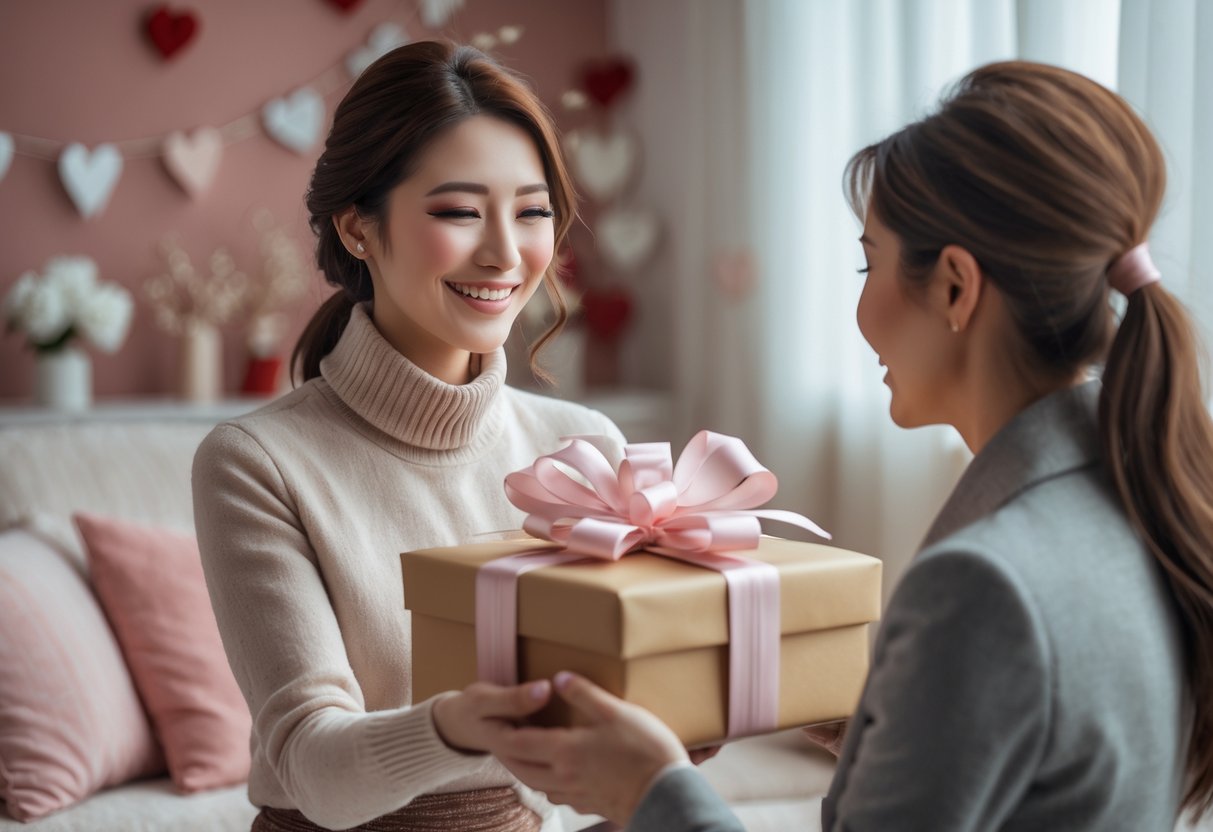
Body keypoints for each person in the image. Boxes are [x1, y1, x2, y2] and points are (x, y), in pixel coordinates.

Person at [484, 60, 1213, 831]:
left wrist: (648, 787)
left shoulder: (983, 584)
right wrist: (888, 720)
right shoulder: (1138, 499)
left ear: (956, 286)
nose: (860, 308)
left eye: (871, 262)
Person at [191, 41, 625, 832]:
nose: (505, 254)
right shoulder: (257, 462)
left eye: (531, 212)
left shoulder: (585, 446)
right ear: (357, 228)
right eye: (459, 212)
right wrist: (460, 725)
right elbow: (315, 770)